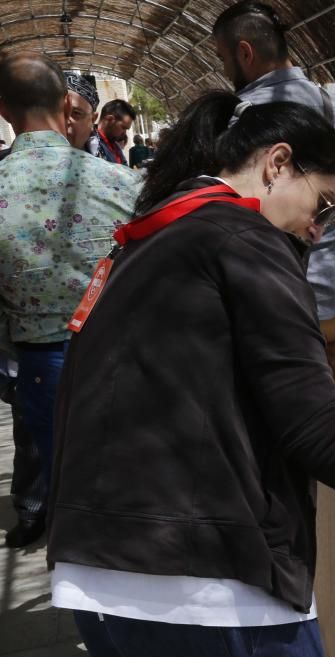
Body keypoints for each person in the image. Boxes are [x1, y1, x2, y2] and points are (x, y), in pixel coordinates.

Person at [46, 91, 335, 656]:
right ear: (277, 163)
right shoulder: (247, 241)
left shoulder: (162, 233)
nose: (319, 228)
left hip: (99, 570)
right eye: (325, 205)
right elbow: (312, 425)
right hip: (202, 585)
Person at [0, 53, 141, 548]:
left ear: (4, 109)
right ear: (66, 104)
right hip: (120, 354)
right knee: (128, 479)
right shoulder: (121, 183)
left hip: (40, 365)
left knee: (67, 484)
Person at [213, 0, 335, 398]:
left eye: (222, 57)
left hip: (287, 299)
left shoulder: (247, 116)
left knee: (297, 429)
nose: (223, 68)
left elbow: (242, 213)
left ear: (244, 52)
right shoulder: (327, 101)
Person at [64, 73, 99, 152]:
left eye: (76, 113)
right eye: (59, 112)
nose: (65, 121)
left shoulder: (104, 158)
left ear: (93, 119)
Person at [94, 99, 136, 165]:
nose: (124, 133)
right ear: (109, 119)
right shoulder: (90, 142)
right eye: (123, 127)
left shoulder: (115, 145)